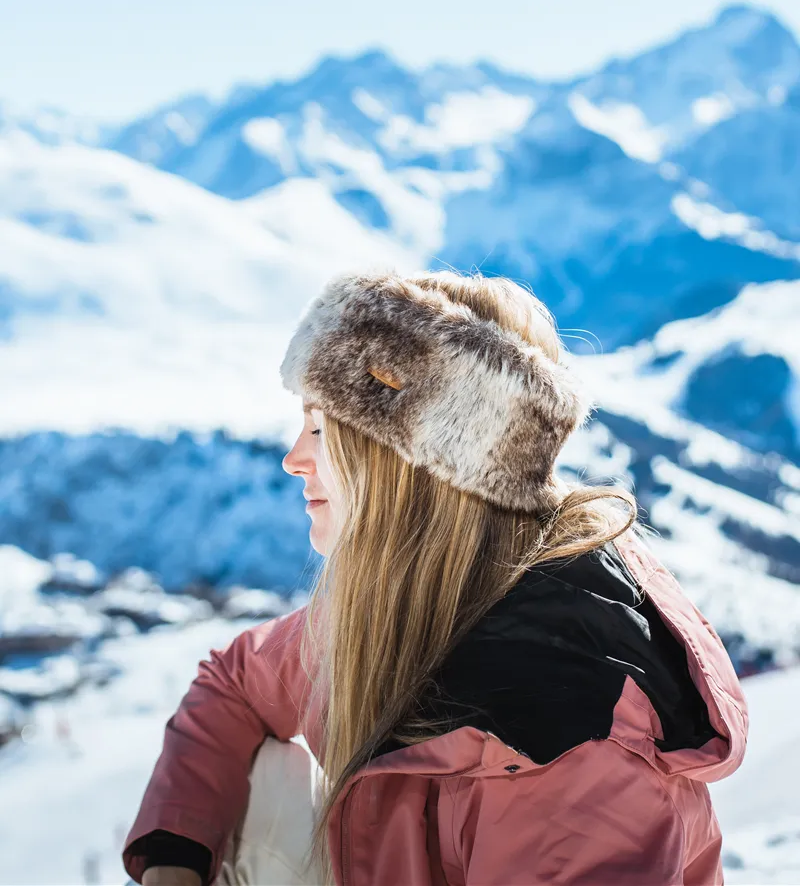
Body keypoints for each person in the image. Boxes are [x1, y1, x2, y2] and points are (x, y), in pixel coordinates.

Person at [123, 268, 748, 886]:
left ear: (412, 468)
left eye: (320, 429)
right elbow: (235, 683)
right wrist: (173, 860)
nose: (294, 458)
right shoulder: (413, 611)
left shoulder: (566, 744)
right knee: (269, 776)